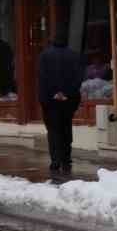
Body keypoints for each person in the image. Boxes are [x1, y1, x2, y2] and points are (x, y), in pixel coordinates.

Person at [37, 30, 85, 174]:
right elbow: (78, 78)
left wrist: (54, 93)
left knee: (53, 130)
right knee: (66, 127)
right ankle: (66, 159)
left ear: (52, 40)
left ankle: (55, 161)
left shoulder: (44, 55)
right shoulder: (75, 56)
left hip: (51, 101)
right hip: (69, 100)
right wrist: (66, 93)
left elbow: (43, 78)